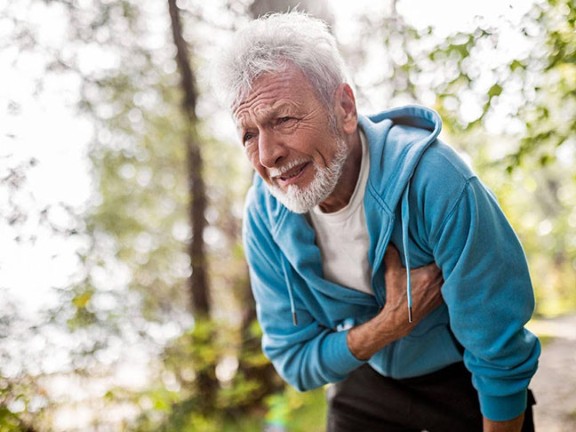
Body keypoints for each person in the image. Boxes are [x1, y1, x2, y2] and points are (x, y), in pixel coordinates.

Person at [213, 11, 541, 432]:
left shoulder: (436, 181)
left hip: (465, 378)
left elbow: (499, 349)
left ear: (344, 108)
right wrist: (391, 322)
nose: (267, 154)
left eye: (283, 119)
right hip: (365, 377)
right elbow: (295, 363)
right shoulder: (264, 213)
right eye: (248, 134)